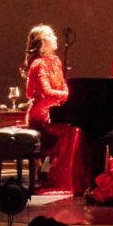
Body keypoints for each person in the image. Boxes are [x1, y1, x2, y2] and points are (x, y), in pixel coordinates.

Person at [23, 24, 88, 195]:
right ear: (42, 43)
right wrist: (68, 95)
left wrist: (70, 94)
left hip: (56, 108)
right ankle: (60, 177)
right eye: (51, 35)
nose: (56, 38)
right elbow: (45, 92)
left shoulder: (56, 61)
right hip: (41, 111)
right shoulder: (38, 64)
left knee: (76, 126)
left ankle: (70, 175)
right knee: (71, 129)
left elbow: (62, 86)